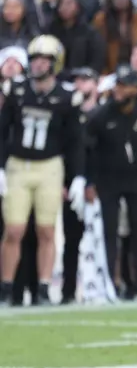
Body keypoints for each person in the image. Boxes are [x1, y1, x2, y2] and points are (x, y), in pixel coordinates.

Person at [0, 35, 85, 305]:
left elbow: (75, 142)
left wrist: (78, 176)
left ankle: (45, 287)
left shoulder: (67, 97)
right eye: (34, 58)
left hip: (50, 166)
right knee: (14, 230)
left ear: (55, 62)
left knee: (46, 231)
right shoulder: (17, 89)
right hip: (18, 165)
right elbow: (2, 131)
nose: (37, 64)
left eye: (43, 59)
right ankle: (6, 286)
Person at [83, 65, 137, 297]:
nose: (118, 90)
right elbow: (88, 150)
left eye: (124, 86)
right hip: (108, 178)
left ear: (135, 89)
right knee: (109, 232)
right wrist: (89, 182)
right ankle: (109, 284)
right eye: (117, 85)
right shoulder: (99, 116)